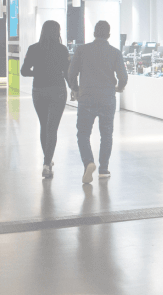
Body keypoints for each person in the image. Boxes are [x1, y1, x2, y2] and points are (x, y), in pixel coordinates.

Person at [67, 20, 128, 184]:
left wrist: (75, 88)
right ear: (109, 34)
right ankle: (103, 169)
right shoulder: (114, 52)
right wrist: (119, 88)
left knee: (83, 134)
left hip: (86, 97)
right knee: (106, 134)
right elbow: (123, 76)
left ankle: (88, 162)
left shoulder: (82, 50)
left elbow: (71, 74)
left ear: (94, 33)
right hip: (107, 97)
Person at [20, 20, 71, 179]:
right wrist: (74, 88)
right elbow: (67, 74)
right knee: (52, 127)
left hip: (39, 91)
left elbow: (24, 71)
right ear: (57, 32)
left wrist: (38, 73)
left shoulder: (33, 49)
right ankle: (47, 162)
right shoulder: (62, 50)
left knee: (44, 125)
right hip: (58, 91)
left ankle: (47, 162)